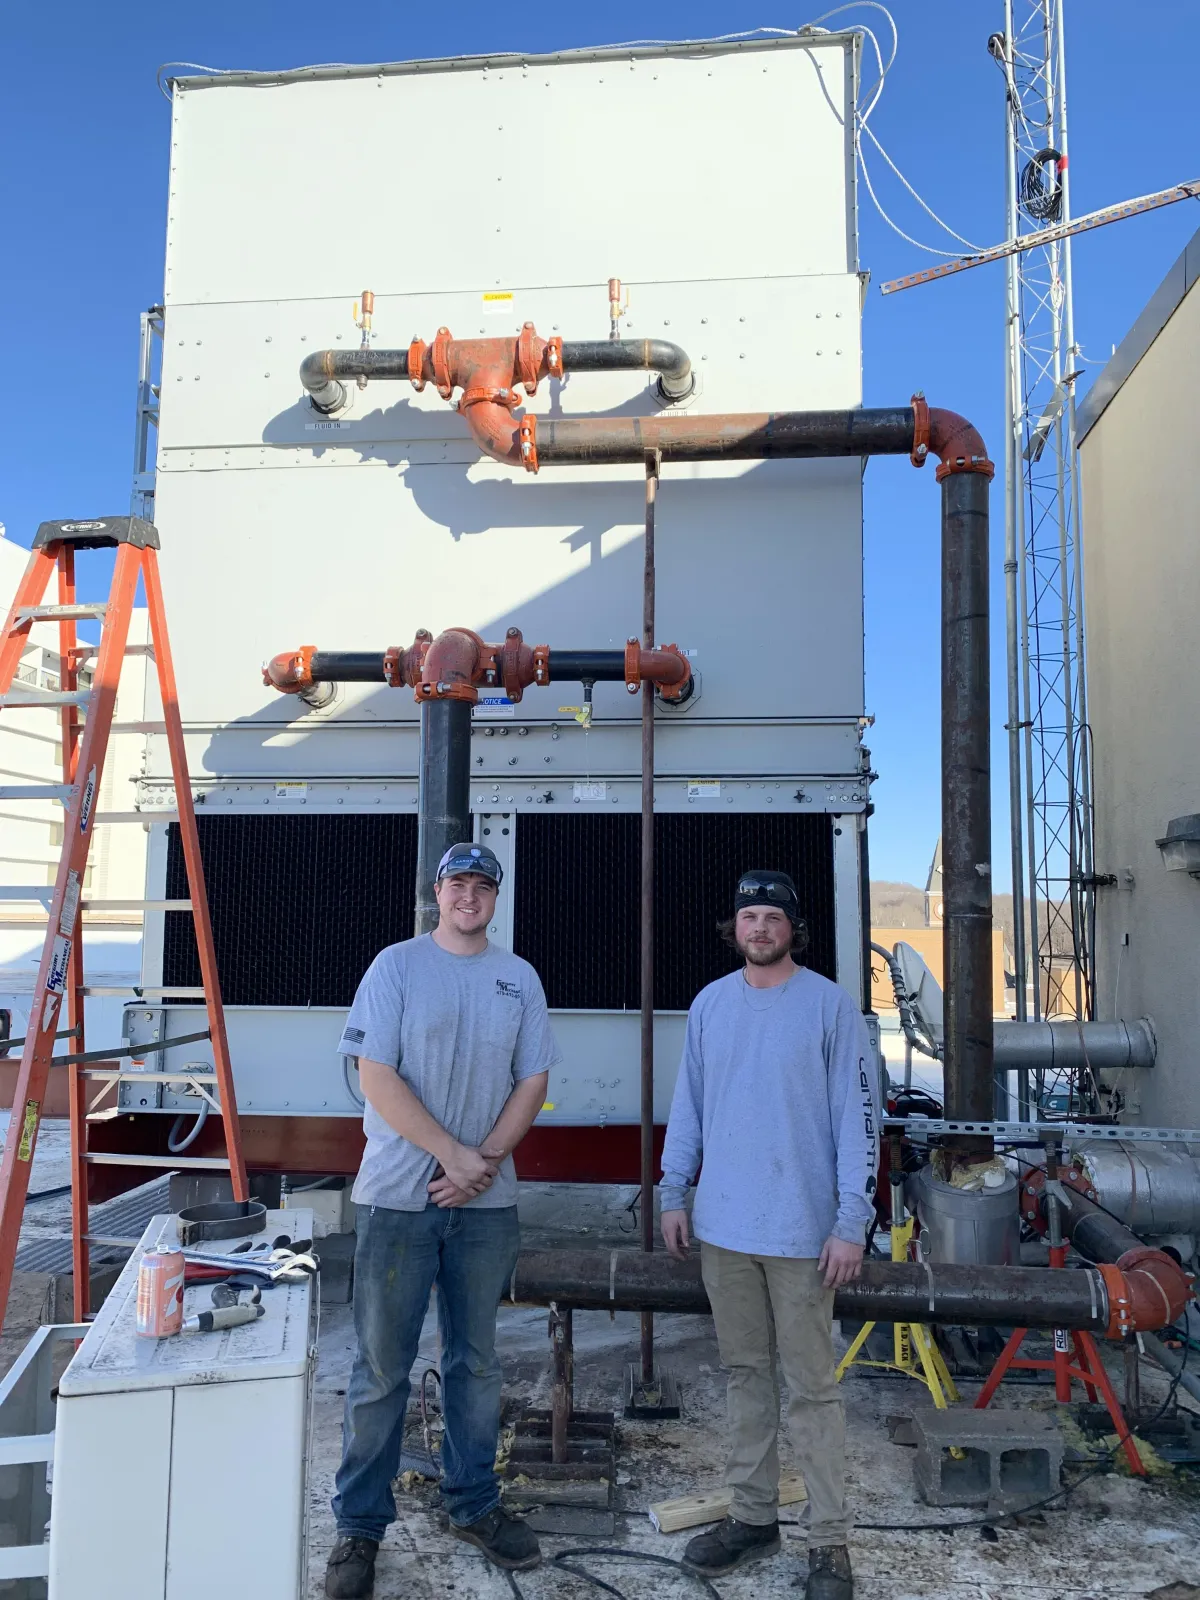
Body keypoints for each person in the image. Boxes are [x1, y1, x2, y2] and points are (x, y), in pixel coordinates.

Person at [324, 842, 561, 1600]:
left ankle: (474, 1503)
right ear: (437, 891)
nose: (468, 896)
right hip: (398, 1199)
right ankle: (359, 1529)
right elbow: (376, 1078)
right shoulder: (395, 966)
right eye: (457, 882)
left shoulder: (517, 978)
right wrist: (452, 1156)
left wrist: (481, 1160)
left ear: (495, 898)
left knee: (477, 1363)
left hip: (485, 1206)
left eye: (481, 885)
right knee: (382, 1368)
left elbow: (534, 1079)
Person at [659, 869, 878, 1600]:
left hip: (804, 1237)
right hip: (723, 1231)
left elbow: (858, 1118)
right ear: (735, 927)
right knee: (745, 1378)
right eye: (748, 916)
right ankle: (752, 1518)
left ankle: (829, 1544)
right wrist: (673, 1191)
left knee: (813, 1390)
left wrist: (853, 1220)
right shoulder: (709, 1006)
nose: (759, 928)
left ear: (792, 929)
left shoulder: (830, 1007)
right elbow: (687, 1106)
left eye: (772, 918)